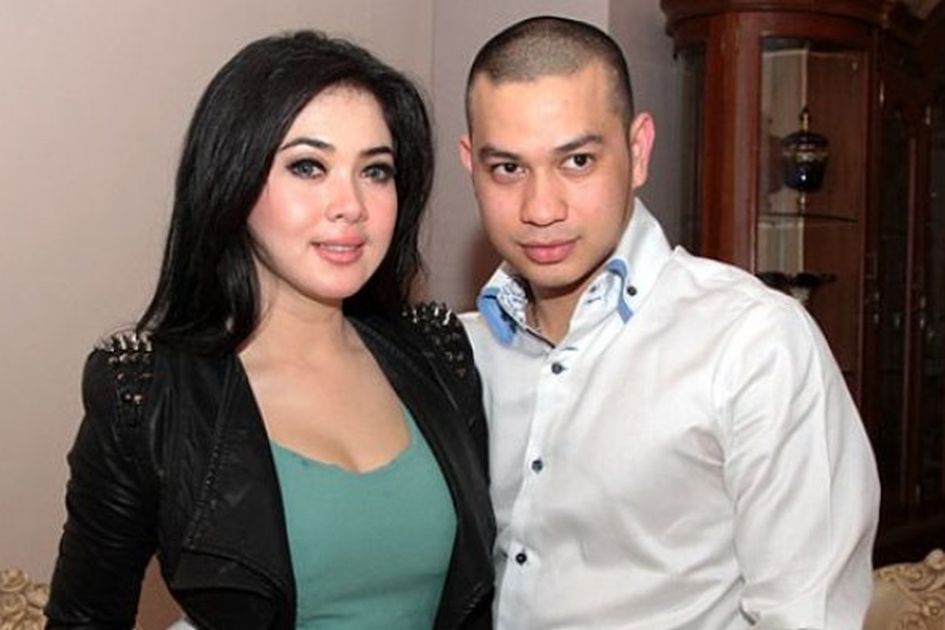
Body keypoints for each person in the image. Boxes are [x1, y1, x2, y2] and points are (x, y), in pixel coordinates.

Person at [46, 30, 494, 629]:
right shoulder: (147, 393)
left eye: (376, 171)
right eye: (308, 166)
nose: (351, 205)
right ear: (234, 179)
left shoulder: (436, 352)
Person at [458, 15, 880, 629]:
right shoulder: (459, 354)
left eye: (577, 160)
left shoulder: (753, 344)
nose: (541, 208)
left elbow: (805, 613)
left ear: (638, 152)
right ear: (471, 165)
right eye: (508, 168)